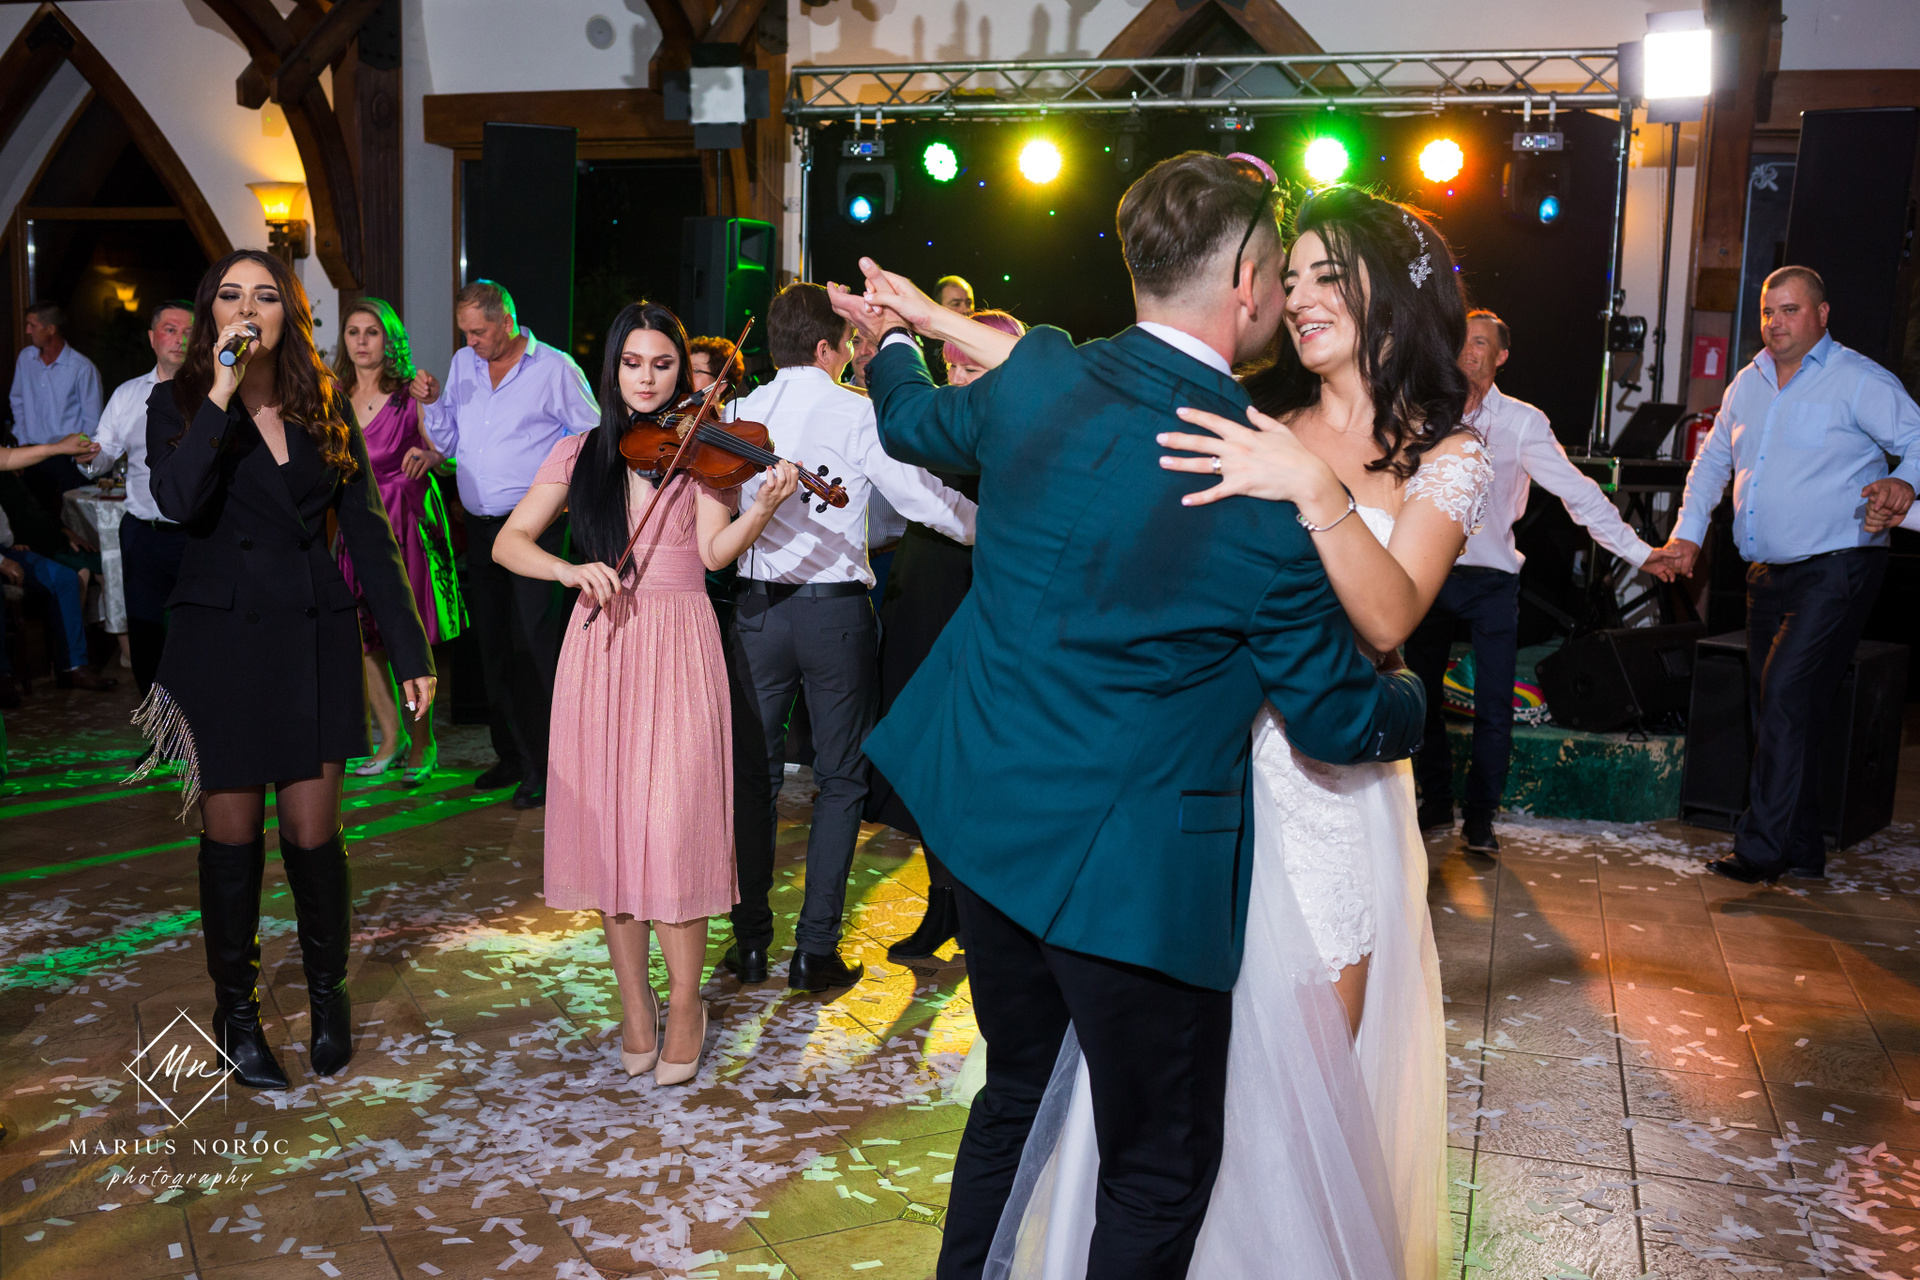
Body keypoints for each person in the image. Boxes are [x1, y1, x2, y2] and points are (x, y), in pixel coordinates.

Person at [831, 152, 1426, 1280]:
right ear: (1247, 283)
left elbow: (905, 421)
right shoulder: (1263, 487)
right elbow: (1338, 721)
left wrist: (893, 338)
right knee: (1158, 1169)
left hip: (987, 829)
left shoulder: (1042, 376)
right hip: (1130, 885)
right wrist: (1417, 703)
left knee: (1016, 1091)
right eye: (1280, 274)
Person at [129, 248, 434, 1091]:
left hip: (311, 638)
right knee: (231, 841)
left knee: (313, 835)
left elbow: (366, 529)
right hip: (220, 646)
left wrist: (408, 648)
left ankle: (330, 996)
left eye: (264, 295)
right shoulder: (175, 401)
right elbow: (178, 501)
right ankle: (236, 1017)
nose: (246, 308)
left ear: (287, 314)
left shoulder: (319, 399)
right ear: (211, 314)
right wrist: (222, 390)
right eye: (230, 295)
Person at [494, 300, 799, 1085]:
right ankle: (636, 1006)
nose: (647, 377)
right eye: (633, 363)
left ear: (680, 372)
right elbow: (509, 542)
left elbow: (715, 554)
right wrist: (568, 569)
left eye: (662, 364)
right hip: (601, 650)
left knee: (674, 831)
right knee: (611, 838)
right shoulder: (581, 452)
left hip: (681, 644)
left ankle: (687, 1004)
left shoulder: (703, 449)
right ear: (614, 368)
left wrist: (762, 509)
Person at [720, 282, 976, 995]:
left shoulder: (736, 414)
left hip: (757, 614)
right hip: (833, 617)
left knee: (755, 780)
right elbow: (921, 499)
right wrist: (988, 526)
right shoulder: (857, 410)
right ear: (827, 347)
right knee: (839, 781)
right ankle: (814, 951)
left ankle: (749, 942)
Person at [1662, 265, 1919, 883]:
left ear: (1822, 315)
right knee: (1781, 704)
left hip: (1838, 565)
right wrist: (1688, 534)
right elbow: (1712, 463)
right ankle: (1803, 845)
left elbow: (1918, 440)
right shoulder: (1746, 384)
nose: (1775, 323)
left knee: (1782, 694)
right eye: (1767, 311)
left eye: (1790, 310)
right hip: (1767, 574)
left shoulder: (1858, 379)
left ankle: (1761, 849)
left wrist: (1904, 483)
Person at [1403, 309, 1677, 853]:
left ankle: (1480, 816)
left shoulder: (1523, 422)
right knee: (1420, 692)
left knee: (1494, 704)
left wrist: (1640, 552)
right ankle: (1434, 798)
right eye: (1462, 340)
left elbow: (1579, 494)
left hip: (1492, 579)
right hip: (1428, 571)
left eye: (1481, 343)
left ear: (1502, 356)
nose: (1469, 350)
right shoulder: (1424, 412)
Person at [867, 309, 1023, 963]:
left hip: (982, 594)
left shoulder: (1020, 426)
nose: (956, 377)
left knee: (979, 766)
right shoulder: (938, 420)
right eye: (951, 365)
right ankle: (944, 902)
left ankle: (987, 911)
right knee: (926, 758)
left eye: (970, 366)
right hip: (924, 586)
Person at [419, 280, 598, 809]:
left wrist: (564, 498)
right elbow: (447, 441)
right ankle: (512, 756)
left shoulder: (556, 369)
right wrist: (433, 404)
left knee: (532, 649)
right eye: (464, 332)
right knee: (492, 646)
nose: (470, 342)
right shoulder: (463, 364)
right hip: (480, 528)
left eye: (478, 332)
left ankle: (547, 767)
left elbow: (593, 437)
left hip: (536, 530)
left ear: (507, 321)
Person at [333, 298, 466, 782]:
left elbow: (452, 454)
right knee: (361, 637)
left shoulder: (412, 394)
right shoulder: (334, 394)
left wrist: (433, 459)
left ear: (390, 340)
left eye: (372, 332)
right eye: (353, 332)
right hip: (356, 525)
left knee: (410, 637)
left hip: (407, 523)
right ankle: (390, 737)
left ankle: (423, 742)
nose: (362, 341)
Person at [87, 300, 194, 697]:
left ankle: (200, 724)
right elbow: (102, 456)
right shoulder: (128, 395)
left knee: (197, 632)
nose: (180, 339)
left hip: (196, 534)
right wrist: (87, 455)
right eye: (171, 330)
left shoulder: (214, 395)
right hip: (142, 534)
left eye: (189, 332)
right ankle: (157, 724)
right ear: (152, 338)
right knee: (145, 634)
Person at [0, 444, 116, 693]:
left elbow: (11, 459)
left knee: (65, 578)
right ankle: (3, 675)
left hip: (8, 548)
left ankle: (73, 667)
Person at [9, 302, 103, 515]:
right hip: (31, 452)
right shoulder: (26, 358)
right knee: (33, 519)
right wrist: (22, 441)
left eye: (33, 325)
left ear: (50, 329)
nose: (27, 331)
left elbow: (92, 419)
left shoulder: (82, 368)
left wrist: (77, 456)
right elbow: (17, 401)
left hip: (66, 459)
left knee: (71, 519)